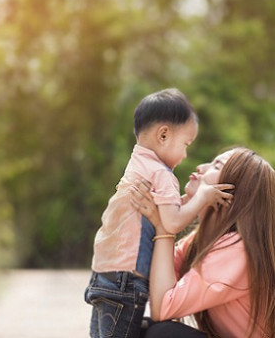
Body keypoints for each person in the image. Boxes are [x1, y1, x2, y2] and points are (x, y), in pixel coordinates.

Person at [84, 88, 232, 338]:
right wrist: (204, 197)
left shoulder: (138, 164)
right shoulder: (162, 174)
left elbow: (167, 211)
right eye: (186, 144)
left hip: (104, 274)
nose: (185, 155)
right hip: (127, 280)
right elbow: (172, 223)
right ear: (163, 134)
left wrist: (189, 200)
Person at [131, 147, 275, 338]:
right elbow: (151, 278)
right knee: (138, 326)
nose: (201, 167)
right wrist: (163, 213)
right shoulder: (201, 240)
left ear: (231, 195)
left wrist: (166, 228)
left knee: (163, 334)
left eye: (216, 166)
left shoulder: (237, 250)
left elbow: (163, 307)